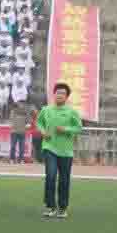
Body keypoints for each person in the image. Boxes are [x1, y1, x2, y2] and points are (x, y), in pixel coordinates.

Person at [38, 83, 82, 219]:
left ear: (67, 97)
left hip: (66, 151)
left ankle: (62, 208)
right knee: (50, 176)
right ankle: (50, 206)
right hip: (49, 147)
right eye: (58, 93)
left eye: (63, 93)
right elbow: (39, 123)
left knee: (64, 179)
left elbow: (78, 127)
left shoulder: (71, 112)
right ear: (54, 94)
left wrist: (66, 129)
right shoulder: (46, 110)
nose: (60, 95)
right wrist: (43, 132)